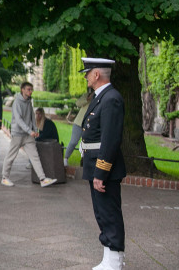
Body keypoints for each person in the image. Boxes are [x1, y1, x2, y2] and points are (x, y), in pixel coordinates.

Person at [79, 57, 126, 270]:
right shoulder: (102, 97)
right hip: (94, 164)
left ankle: (115, 261)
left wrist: (100, 173)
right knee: (101, 213)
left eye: (87, 72)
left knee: (109, 213)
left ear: (96, 74)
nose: (86, 76)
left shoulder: (111, 99)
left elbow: (110, 140)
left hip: (104, 168)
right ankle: (109, 257)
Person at [0, 82, 57, 188]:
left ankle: (42, 179)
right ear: (22, 90)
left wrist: (35, 130)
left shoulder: (28, 102)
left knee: (35, 156)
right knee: (11, 156)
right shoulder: (17, 102)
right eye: (28, 89)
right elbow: (19, 120)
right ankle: (4, 178)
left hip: (28, 136)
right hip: (18, 134)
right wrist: (29, 130)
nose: (30, 91)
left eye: (31, 89)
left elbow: (32, 117)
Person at [65, 90, 93, 166]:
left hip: (90, 125)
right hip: (79, 123)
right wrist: (87, 98)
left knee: (88, 144)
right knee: (73, 141)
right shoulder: (86, 95)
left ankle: (84, 162)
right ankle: (65, 158)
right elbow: (78, 103)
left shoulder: (101, 97)